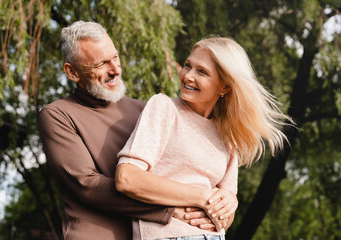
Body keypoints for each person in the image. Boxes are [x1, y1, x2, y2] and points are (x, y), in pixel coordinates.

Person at [39, 21, 238, 240]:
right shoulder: (58, 114)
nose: (115, 70)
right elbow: (87, 185)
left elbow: (185, 169)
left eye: (115, 58)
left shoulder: (145, 109)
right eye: (101, 64)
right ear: (72, 72)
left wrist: (227, 202)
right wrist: (171, 211)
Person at [115, 37, 292, 240]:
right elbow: (127, 178)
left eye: (202, 72)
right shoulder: (164, 107)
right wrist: (202, 197)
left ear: (224, 87)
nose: (188, 76)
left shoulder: (227, 134)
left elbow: (226, 217)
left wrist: (230, 202)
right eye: (188, 65)